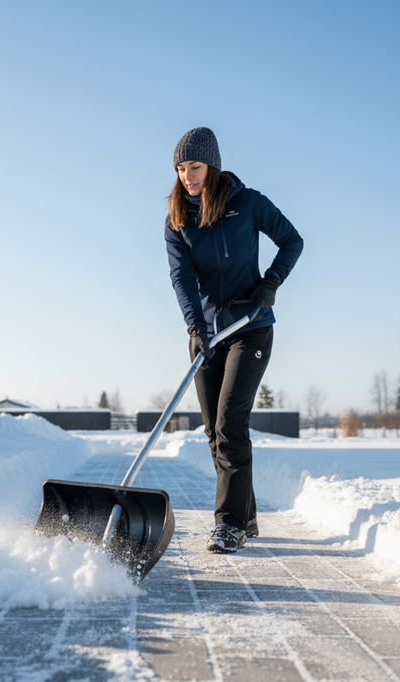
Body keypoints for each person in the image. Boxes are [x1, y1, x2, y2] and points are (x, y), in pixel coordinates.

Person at [165, 127, 304, 554]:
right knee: (214, 431)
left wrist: (271, 283)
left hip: (250, 326)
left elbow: (292, 240)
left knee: (229, 423)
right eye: (182, 168)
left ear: (213, 165)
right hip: (206, 334)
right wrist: (195, 327)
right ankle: (246, 515)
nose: (189, 176)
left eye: (196, 167)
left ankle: (229, 524)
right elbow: (182, 279)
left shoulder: (247, 203)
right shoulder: (177, 220)